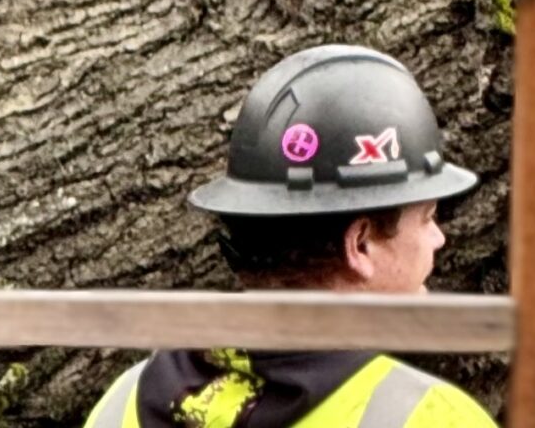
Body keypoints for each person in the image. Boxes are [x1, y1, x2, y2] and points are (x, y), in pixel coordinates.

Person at [85, 45, 493, 428]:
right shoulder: (430, 417)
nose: (439, 238)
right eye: (427, 217)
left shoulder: (122, 406)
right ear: (360, 244)